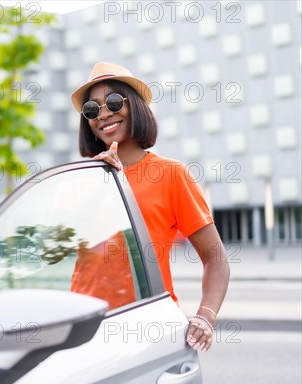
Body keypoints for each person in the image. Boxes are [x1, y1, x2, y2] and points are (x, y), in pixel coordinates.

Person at [70, 62, 230, 352]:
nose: (103, 114)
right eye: (92, 110)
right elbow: (59, 255)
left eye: (114, 102)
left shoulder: (170, 174)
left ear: (137, 108)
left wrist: (206, 316)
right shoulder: (82, 180)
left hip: (146, 331)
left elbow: (215, 258)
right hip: (83, 334)